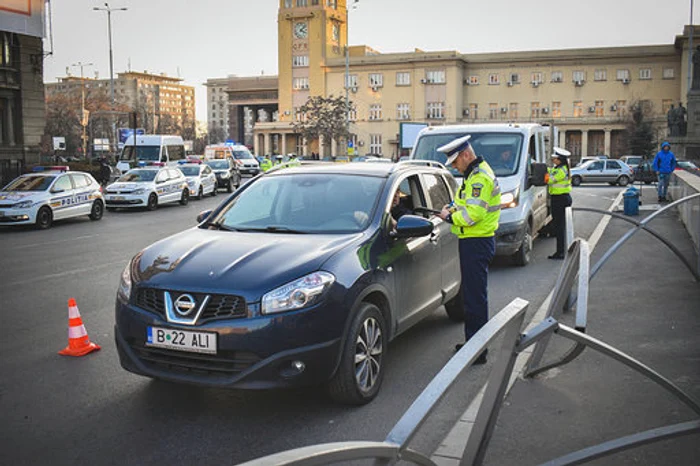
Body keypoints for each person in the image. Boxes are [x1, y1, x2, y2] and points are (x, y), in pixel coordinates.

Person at [437, 135, 501, 362]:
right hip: (474, 241)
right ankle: (474, 344)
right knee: (473, 297)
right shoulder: (473, 174)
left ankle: (477, 350)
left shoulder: (479, 178)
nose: (454, 167)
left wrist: (449, 217)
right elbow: (465, 203)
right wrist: (452, 207)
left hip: (476, 241)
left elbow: (473, 215)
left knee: (475, 299)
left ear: (465, 155)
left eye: (455, 162)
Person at [546, 148, 573, 260]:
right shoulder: (559, 168)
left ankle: (560, 252)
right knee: (559, 226)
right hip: (560, 199)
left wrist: (545, 174)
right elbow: (550, 171)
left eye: (555, 158)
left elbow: (549, 180)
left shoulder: (561, 170)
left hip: (560, 199)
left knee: (559, 227)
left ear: (560, 160)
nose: (553, 160)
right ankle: (561, 250)